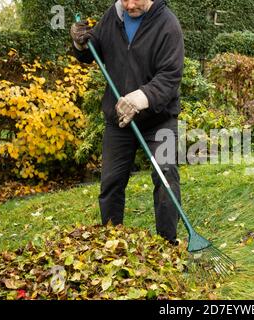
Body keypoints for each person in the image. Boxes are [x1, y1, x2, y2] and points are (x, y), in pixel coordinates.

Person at [70, 0, 184, 245]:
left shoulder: (167, 24)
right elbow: (93, 52)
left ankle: (167, 245)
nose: (130, 4)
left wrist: (139, 99)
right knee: (110, 182)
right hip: (119, 120)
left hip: (158, 120)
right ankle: (111, 244)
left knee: (166, 177)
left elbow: (170, 76)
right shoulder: (113, 16)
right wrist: (80, 44)